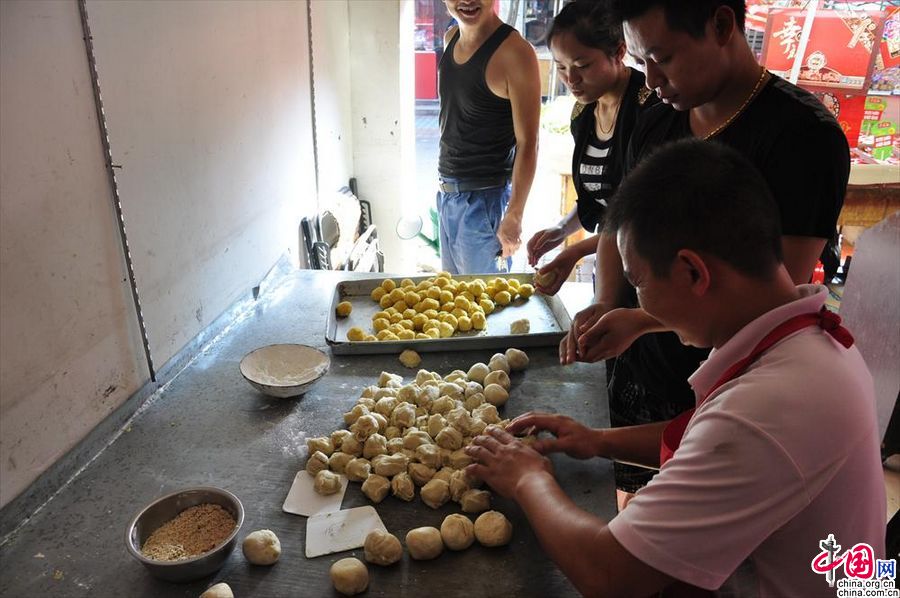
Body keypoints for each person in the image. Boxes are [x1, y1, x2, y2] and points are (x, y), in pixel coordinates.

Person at [465, 139, 885, 597]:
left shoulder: (769, 406)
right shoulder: (811, 342)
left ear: (692, 272)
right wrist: (597, 441)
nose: (637, 302)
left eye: (638, 283)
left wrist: (528, 479)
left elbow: (610, 574)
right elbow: (709, 438)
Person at [560, 0, 850, 507]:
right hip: (641, 364)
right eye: (642, 61)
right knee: (629, 504)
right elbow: (618, 220)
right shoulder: (656, 120)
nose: (649, 79)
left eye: (663, 57)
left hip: (726, 382)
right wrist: (608, 304)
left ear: (721, 24)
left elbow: (767, 301)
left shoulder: (803, 137)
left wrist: (639, 317)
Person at [525, 0, 657, 297]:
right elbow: (599, 199)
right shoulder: (583, 115)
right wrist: (562, 229)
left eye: (583, 66)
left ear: (619, 52)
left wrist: (576, 252)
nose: (571, 80)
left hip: (652, 273)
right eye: (561, 67)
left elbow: (642, 215)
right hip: (613, 268)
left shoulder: (649, 110)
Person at [436, 0, 541, 274]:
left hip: (485, 202)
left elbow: (529, 142)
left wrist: (514, 214)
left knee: (485, 308)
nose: (467, 1)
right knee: (454, 303)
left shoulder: (515, 52)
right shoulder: (450, 39)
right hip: (447, 195)